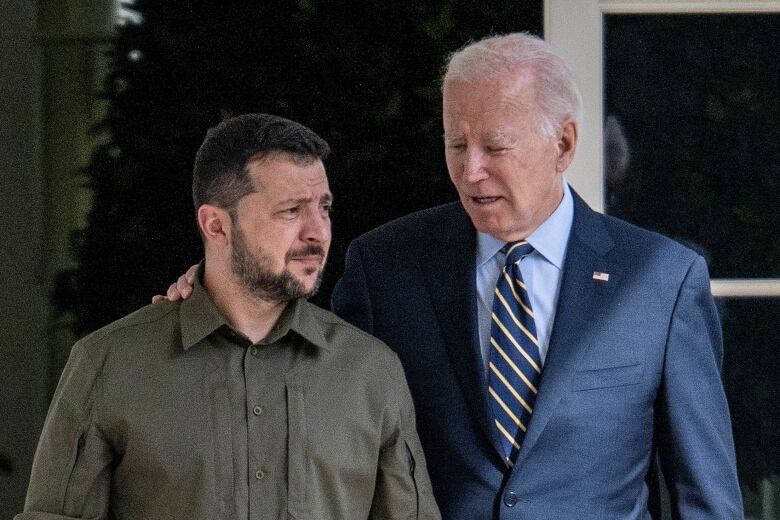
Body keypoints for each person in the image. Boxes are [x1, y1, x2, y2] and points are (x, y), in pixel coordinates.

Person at [164, 35, 743, 519]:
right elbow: (306, 387)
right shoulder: (387, 265)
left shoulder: (661, 280)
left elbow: (703, 495)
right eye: (455, 144)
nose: (470, 170)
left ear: (562, 144)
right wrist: (219, 290)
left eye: (495, 146)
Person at [19, 114, 440, 520]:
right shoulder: (108, 364)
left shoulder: (372, 371)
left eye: (324, 209)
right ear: (216, 226)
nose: (318, 232)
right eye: (291, 211)